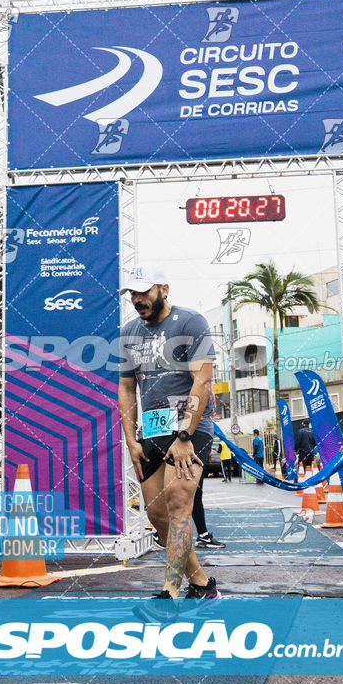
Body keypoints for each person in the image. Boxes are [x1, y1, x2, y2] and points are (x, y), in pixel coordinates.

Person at [118, 262, 220, 612]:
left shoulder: (191, 322)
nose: (137, 299)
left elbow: (201, 380)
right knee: (157, 514)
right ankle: (204, 585)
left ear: (163, 288)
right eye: (132, 293)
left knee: (178, 506)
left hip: (190, 431)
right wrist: (131, 439)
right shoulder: (128, 332)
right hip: (151, 430)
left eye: (143, 292)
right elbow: (127, 387)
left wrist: (185, 434)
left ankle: (169, 595)